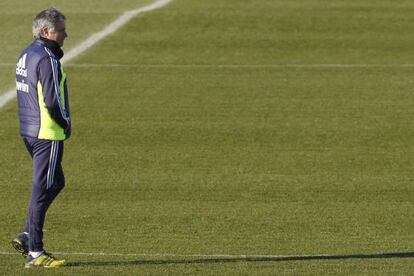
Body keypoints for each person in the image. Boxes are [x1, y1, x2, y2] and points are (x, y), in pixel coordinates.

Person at [11, 7, 70, 268]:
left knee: (55, 182)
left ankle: (26, 235)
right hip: (47, 133)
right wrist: (65, 123)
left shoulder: (27, 53)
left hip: (29, 129)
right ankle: (35, 252)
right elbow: (52, 100)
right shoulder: (47, 58)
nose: (65, 35)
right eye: (61, 30)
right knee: (42, 188)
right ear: (46, 31)